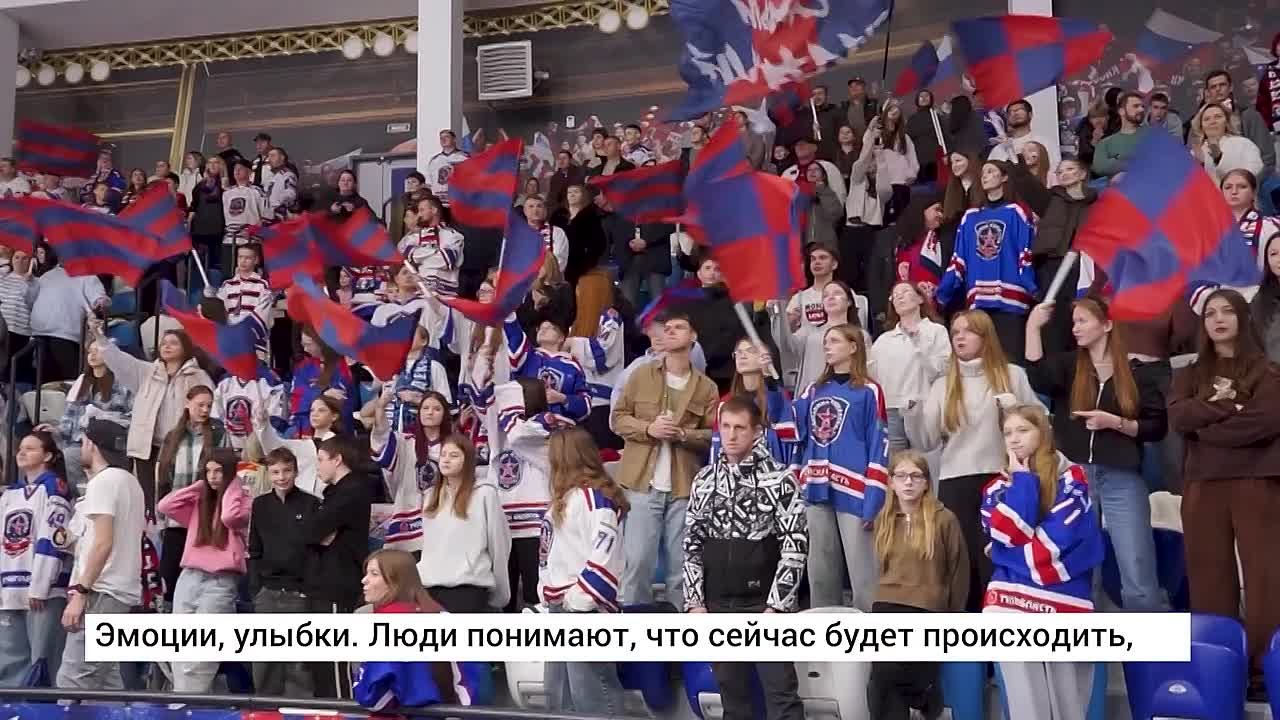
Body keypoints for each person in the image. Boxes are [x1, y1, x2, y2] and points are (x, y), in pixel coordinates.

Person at [1167, 289, 1280, 698]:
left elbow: (1265, 422)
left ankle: (1264, 673)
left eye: (1227, 311)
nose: (1218, 319)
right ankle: (1220, 667)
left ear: (1242, 318)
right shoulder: (1188, 374)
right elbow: (1180, 417)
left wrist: (1208, 426)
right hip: (1203, 483)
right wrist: (1230, 407)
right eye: (1210, 313)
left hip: (1258, 480)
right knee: (1209, 580)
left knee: (1266, 579)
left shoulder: (1269, 372)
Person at [1025, 297, 1168, 610]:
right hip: (1076, 479)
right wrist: (1033, 327)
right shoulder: (1069, 367)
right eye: (1073, 322)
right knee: (1081, 568)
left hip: (1121, 477)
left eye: (1083, 321)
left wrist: (1114, 423)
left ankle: (1148, 638)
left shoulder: (1136, 372)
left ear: (1107, 325)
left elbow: (1156, 427)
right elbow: (1037, 376)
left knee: (1137, 565)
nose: (1075, 328)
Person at [904, 310, 1043, 611]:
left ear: (985, 336)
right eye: (955, 332)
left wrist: (1016, 408)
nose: (960, 338)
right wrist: (912, 413)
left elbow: (1040, 425)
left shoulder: (1013, 375)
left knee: (1001, 560)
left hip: (1002, 480)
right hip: (956, 482)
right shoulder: (943, 385)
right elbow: (925, 441)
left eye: (968, 331)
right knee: (963, 567)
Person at [684, 396, 807, 720]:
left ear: (756, 432)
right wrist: (695, 603)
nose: (731, 435)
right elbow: (692, 544)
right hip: (718, 605)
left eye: (739, 427)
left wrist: (778, 606)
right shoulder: (704, 480)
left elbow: (795, 546)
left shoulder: (781, 480)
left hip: (764, 605)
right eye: (725, 427)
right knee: (732, 699)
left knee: (782, 697)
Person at [983, 405, 1103, 718]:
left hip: (1065, 601)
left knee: (1069, 708)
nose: (1014, 439)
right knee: (1026, 707)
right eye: (1008, 433)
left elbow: (1054, 547)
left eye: (1023, 430)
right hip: (1009, 603)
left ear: (1043, 432)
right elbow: (1006, 531)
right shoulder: (997, 487)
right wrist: (1023, 480)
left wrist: (1000, 553)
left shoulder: (1073, 479)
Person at [612, 311, 718, 607]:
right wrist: (649, 429)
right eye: (667, 328)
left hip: (683, 487)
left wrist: (683, 434)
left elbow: (713, 437)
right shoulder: (640, 374)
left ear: (693, 336)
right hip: (641, 484)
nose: (669, 331)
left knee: (680, 569)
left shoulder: (706, 387)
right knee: (637, 564)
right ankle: (634, 630)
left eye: (678, 327)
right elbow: (618, 419)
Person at [791, 324, 888, 610]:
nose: (827, 346)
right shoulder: (814, 390)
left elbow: (879, 445)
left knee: (864, 576)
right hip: (816, 489)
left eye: (834, 341)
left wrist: (874, 499)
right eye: (825, 342)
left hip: (855, 493)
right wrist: (772, 385)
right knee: (820, 574)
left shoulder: (869, 391)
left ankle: (870, 634)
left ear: (853, 347)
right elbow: (791, 428)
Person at [867, 450, 968, 720]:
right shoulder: (884, 519)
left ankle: (925, 694)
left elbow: (959, 570)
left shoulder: (944, 519)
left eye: (916, 476)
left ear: (926, 483)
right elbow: (882, 569)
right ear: (891, 482)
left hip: (928, 607)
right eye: (901, 476)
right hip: (887, 604)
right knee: (881, 679)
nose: (908, 482)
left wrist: (953, 615)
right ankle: (925, 698)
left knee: (893, 673)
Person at [539, 427, 630, 716]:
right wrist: (549, 594)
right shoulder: (562, 500)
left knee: (593, 697)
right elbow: (549, 555)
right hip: (560, 607)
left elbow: (604, 554)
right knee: (558, 699)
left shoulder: (596, 500)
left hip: (584, 610)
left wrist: (579, 600)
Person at [56, 419, 145, 691]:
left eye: (83, 442)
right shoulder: (131, 482)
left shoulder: (103, 482)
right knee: (106, 684)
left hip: (102, 592)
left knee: (73, 680)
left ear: (92, 445)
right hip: (119, 592)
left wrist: (81, 592)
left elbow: (103, 543)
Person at [155, 449, 249, 692]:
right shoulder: (200, 502)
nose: (213, 476)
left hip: (220, 581)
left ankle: (190, 701)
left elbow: (230, 518)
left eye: (219, 471)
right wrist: (199, 486)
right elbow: (165, 505)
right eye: (208, 471)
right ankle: (181, 699)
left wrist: (233, 485)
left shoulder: (242, 501)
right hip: (189, 576)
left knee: (203, 651)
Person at [352, 550, 489, 712]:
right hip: (455, 712)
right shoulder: (442, 616)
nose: (364, 580)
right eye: (366, 573)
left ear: (397, 581)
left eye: (374, 574)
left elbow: (374, 699)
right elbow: (472, 681)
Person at [95, 327, 213, 510]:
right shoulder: (147, 372)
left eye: (173, 343)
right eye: (164, 343)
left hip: (179, 445)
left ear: (185, 348)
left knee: (170, 498)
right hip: (145, 446)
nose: (167, 346)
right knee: (146, 500)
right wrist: (100, 338)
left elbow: (209, 408)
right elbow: (119, 361)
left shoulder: (198, 376)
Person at [936, 161, 1037, 362]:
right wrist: (944, 291)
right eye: (982, 173)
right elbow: (959, 259)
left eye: (991, 171)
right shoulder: (970, 217)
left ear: (1004, 177)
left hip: (1011, 301)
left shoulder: (1016, 212)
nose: (985, 176)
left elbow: (1025, 253)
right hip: (979, 302)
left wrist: (1032, 287)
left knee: (1011, 363)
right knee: (982, 364)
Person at [0, 431, 73, 687]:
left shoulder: (55, 488)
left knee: (42, 662)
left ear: (48, 456)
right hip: (9, 591)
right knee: (9, 662)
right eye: (21, 448)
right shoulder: (10, 494)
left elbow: (51, 540)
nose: (22, 452)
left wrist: (41, 586)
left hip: (43, 594)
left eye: (30, 448)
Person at [487, 379, 567, 611]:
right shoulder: (501, 428)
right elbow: (484, 403)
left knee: (536, 595)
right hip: (503, 524)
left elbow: (519, 435)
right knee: (504, 598)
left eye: (513, 396)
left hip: (535, 525)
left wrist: (508, 411)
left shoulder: (547, 424)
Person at [304, 436, 371, 698]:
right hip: (322, 582)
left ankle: (342, 711)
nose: (317, 466)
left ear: (337, 460)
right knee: (321, 664)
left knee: (334, 662)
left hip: (337, 583)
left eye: (321, 460)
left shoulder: (353, 490)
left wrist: (318, 532)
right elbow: (311, 533)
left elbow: (312, 530)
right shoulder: (333, 493)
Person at [412, 434, 510, 613]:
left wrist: (500, 591)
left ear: (468, 460)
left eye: (454, 455)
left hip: (468, 588)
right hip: (429, 587)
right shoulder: (430, 497)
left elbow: (498, 544)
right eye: (443, 454)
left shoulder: (485, 494)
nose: (446, 460)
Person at [1010, 158, 1097, 354]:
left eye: (1070, 169)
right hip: (1051, 265)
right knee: (1052, 320)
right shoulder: (1050, 199)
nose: (1064, 173)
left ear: (1082, 174)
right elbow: (1026, 184)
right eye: (1060, 171)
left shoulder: (1097, 202)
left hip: (1083, 267)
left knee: (1079, 315)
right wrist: (1016, 159)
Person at [249, 447, 318, 697]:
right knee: (265, 661)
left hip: (298, 592)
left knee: (298, 663)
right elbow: (254, 549)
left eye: (287, 471)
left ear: (296, 472)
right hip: (267, 592)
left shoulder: (311, 504)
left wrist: (307, 588)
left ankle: (300, 710)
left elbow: (316, 551)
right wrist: (256, 588)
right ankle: (266, 709)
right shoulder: (260, 504)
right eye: (275, 472)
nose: (281, 477)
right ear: (268, 474)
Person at [153, 385, 228, 605]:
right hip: (175, 517)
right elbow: (162, 476)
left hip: (204, 515)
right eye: (200, 405)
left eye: (209, 406)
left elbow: (226, 471)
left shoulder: (218, 432)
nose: (205, 410)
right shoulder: (172, 436)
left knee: (199, 577)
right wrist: (160, 514)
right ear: (187, 403)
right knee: (169, 577)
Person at [868, 282, 950, 452]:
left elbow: (943, 370)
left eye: (905, 291)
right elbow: (871, 376)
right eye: (894, 295)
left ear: (920, 298)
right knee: (896, 463)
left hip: (924, 407)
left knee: (926, 461)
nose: (899, 296)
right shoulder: (884, 340)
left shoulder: (936, 331)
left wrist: (920, 345)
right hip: (891, 410)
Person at [43, 342, 133, 493]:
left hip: (109, 442)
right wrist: (56, 430)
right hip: (81, 442)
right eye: (90, 351)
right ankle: (78, 497)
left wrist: (101, 416)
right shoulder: (83, 381)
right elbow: (70, 414)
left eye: (98, 350)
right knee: (67, 452)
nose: (92, 354)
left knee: (77, 455)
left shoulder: (124, 381)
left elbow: (131, 415)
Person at [28, 245, 109, 383]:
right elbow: (30, 300)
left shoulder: (87, 276)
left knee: (67, 383)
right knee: (43, 386)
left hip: (66, 337)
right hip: (38, 336)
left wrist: (100, 303)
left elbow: (99, 298)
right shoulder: (47, 275)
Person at [712, 338, 797, 464]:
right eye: (738, 352)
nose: (742, 355)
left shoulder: (779, 396)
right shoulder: (725, 402)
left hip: (770, 468)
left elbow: (779, 420)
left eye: (750, 350)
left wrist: (768, 374)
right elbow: (717, 443)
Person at [785, 279, 869, 396]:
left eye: (837, 293)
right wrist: (779, 313)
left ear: (849, 301)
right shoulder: (808, 332)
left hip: (849, 398)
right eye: (825, 296)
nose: (831, 297)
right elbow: (785, 345)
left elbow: (867, 370)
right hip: (811, 398)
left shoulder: (861, 335)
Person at [288, 327, 355, 438]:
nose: (305, 349)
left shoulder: (342, 366)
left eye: (308, 344)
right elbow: (297, 396)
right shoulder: (303, 367)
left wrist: (313, 393)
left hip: (337, 431)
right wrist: (322, 393)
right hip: (304, 428)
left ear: (322, 343)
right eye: (303, 345)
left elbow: (339, 399)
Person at [405, 194, 465, 299]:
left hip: (445, 295)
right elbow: (409, 259)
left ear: (433, 210)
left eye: (422, 210)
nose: (419, 215)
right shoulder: (414, 237)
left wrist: (420, 257)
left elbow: (447, 260)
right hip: (419, 293)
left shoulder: (453, 235)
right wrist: (436, 251)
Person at [1194, 102, 1265, 184]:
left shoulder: (1244, 144)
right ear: (1201, 126)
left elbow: (1254, 170)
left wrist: (1218, 158)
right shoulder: (1195, 153)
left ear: (1227, 121)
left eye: (1218, 117)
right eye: (1207, 119)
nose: (1212, 122)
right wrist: (1201, 164)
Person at [221, 159, 270, 273]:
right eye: (235, 169)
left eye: (240, 169)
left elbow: (266, 215)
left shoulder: (258, 192)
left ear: (249, 172)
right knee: (229, 273)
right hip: (230, 239)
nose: (237, 172)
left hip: (250, 240)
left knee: (249, 273)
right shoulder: (227, 193)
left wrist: (253, 230)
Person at [988, 99, 1061, 169]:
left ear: (1030, 114)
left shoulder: (1045, 142)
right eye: (1010, 112)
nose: (1014, 113)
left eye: (1019, 109)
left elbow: (1055, 169)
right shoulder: (999, 149)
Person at [1224, 169, 1280, 258]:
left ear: (1253, 193)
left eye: (1242, 187)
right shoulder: (1210, 226)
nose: (1234, 191)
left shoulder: (1269, 225)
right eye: (1228, 187)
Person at [1091, 91, 1146, 178]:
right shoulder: (1105, 143)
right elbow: (1099, 168)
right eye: (1136, 106)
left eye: (1142, 106)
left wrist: (1117, 158)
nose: (1141, 109)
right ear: (1121, 111)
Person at [523, 195, 569, 275]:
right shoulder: (516, 234)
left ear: (545, 210)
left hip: (549, 278)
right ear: (525, 211)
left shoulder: (557, 232)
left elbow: (560, 258)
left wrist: (542, 275)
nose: (535, 210)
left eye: (539, 206)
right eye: (531, 206)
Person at [426, 129, 470, 204]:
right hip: (439, 202)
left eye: (447, 137)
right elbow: (429, 183)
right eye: (441, 138)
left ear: (454, 139)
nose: (443, 140)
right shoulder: (434, 160)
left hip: (458, 201)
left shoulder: (465, 158)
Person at [265, 147, 298, 220]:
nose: (269, 159)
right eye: (268, 156)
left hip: (281, 218)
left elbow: (291, 193)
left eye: (272, 156)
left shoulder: (287, 175)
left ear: (282, 158)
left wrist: (279, 205)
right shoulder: (270, 178)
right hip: (269, 217)